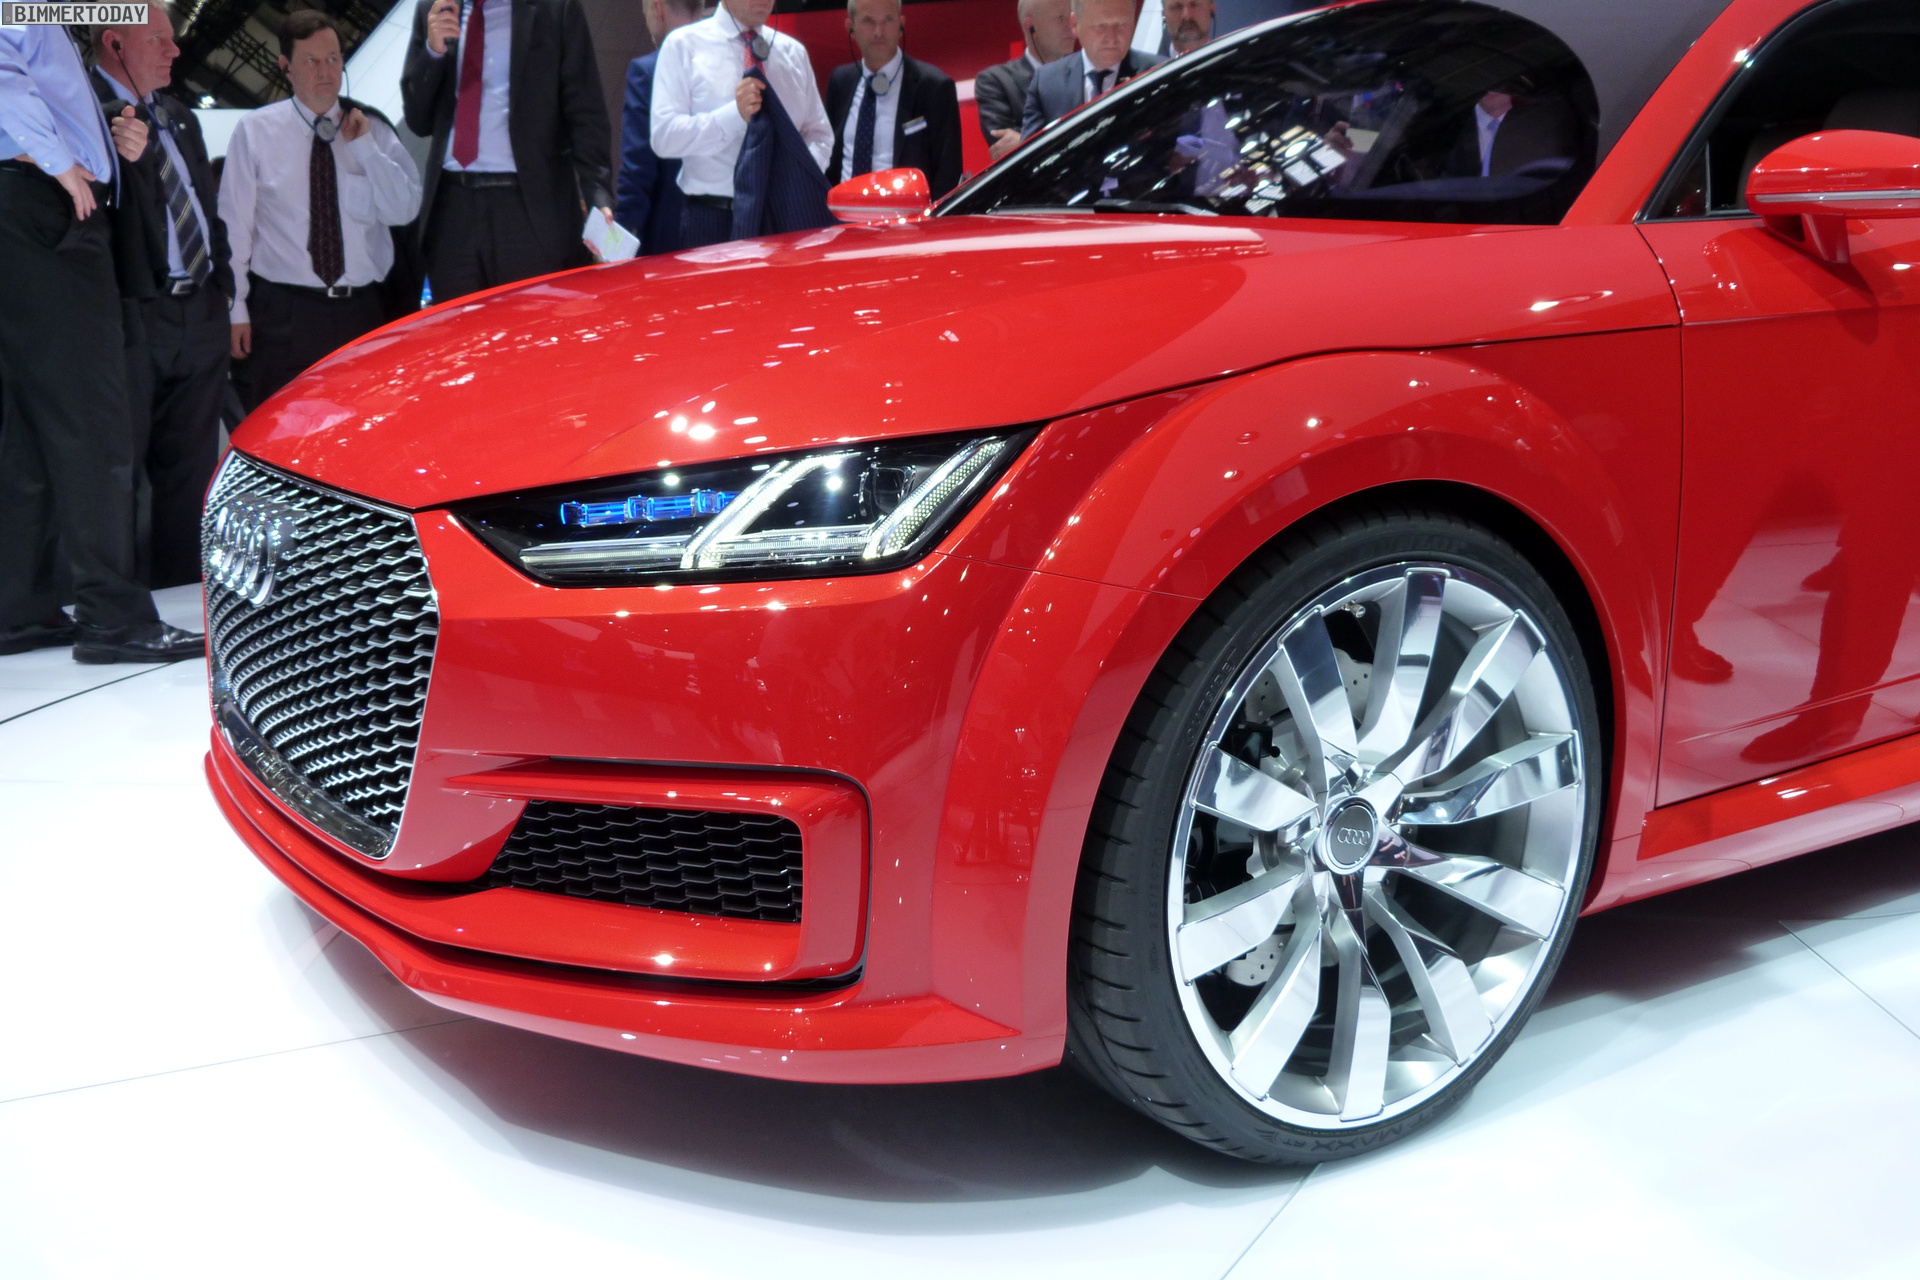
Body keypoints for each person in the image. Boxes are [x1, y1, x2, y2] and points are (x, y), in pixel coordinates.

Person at [0, 21, 203, 662]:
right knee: (93, 418)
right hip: (46, 208)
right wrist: (59, 161)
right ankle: (113, 617)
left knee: (30, 425)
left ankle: (16, 608)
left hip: (25, 210)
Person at [93, 3, 233, 590]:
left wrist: (222, 288)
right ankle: (119, 605)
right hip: (132, 314)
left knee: (192, 472)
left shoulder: (177, 116)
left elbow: (206, 206)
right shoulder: (83, 113)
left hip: (199, 309)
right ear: (114, 44)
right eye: (157, 40)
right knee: (118, 471)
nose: (175, 50)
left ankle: (181, 597)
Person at [220, 10, 422, 411]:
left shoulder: (374, 129)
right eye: (311, 60)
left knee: (364, 424)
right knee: (284, 426)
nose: (325, 71)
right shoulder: (256, 131)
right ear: (285, 67)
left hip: (362, 311)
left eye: (332, 58)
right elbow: (233, 227)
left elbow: (404, 210)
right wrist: (235, 307)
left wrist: (366, 149)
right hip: (283, 313)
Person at [404, 0, 613, 300]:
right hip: (452, 211)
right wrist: (432, 54)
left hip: (527, 209)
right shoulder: (434, 9)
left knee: (534, 321)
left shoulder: (556, 9)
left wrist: (598, 194)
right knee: (461, 326)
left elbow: (585, 112)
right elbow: (417, 120)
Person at [650, 0, 833, 249]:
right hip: (713, 218)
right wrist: (733, 115)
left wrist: (792, 176)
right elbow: (663, 136)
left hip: (783, 217)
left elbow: (820, 135)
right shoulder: (683, 45)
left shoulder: (793, 53)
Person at [827, 0, 962, 198]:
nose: (878, 32)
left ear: (901, 25)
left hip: (907, 213)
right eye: (868, 21)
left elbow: (948, 174)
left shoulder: (934, 87)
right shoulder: (840, 81)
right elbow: (829, 159)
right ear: (851, 28)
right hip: (843, 209)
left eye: (888, 20)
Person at [616, 0, 707, 253]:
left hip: (669, 240)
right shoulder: (732, 62)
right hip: (732, 235)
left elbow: (637, 169)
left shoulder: (648, 71)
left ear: (658, 9)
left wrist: (619, 241)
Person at [1022, 0, 1158, 137]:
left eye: (1121, 25)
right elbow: (1030, 149)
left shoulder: (1157, 75)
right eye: (1100, 26)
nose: (1112, 38)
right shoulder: (1046, 84)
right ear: (1075, 24)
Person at [974, 0, 1074, 162]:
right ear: (1030, 26)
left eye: (1072, 16)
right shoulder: (996, 81)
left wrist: (1025, 140)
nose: (1071, 25)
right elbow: (1005, 148)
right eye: (1060, 18)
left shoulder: (1090, 70)